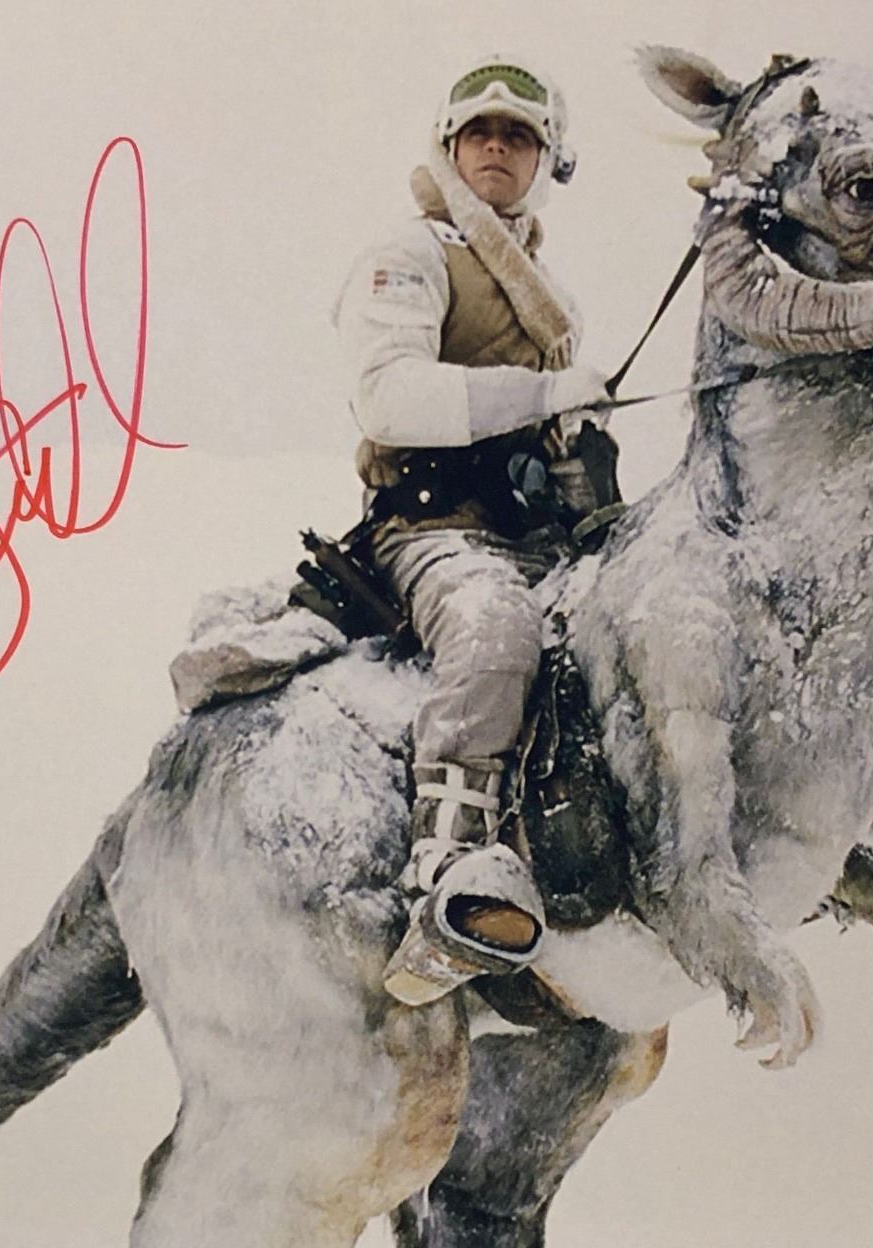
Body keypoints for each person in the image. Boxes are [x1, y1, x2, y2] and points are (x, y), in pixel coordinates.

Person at [331, 57, 610, 1005]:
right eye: (479, 133)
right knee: (497, 630)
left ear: (545, 161)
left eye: (518, 135)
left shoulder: (549, 296)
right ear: (450, 150)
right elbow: (389, 395)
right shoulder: (407, 254)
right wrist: (541, 393)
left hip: (536, 538)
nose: (497, 147)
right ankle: (444, 879)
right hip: (429, 528)